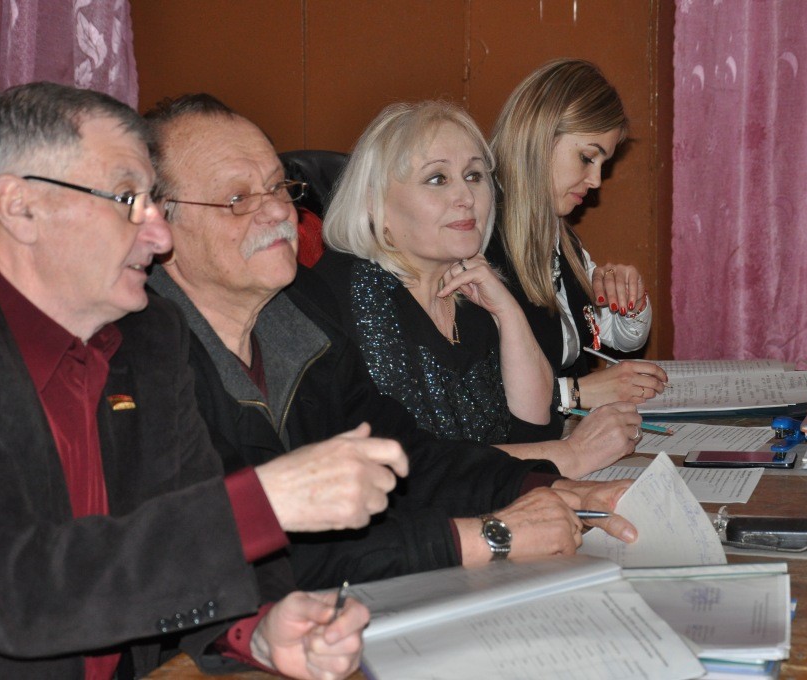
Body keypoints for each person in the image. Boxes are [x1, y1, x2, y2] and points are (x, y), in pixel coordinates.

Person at [0, 82, 383, 679]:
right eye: (128, 199)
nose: (160, 236)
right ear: (20, 208)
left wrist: (256, 628)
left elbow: (196, 502)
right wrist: (267, 501)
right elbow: (8, 589)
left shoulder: (148, 334)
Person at [143, 93, 638, 588]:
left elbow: (406, 456)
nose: (276, 211)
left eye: (278, 187)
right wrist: (489, 536)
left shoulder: (298, 313)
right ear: (159, 225)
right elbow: (258, 554)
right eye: (237, 199)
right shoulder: (144, 361)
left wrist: (552, 487)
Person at [318, 100, 643, 478]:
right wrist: (572, 454)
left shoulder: (464, 286)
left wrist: (509, 314)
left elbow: (534, 428)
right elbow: (410, 469)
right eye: (437, 179)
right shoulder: (358, 290)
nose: (467, 198)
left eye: (474, 176)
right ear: (375, 205)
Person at [489, 58, 669, 412]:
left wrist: (628, 301)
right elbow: (478, 397)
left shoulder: (560, 238)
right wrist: (575, 392)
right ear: (539, 136)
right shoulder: (475, 240)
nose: (597, 181)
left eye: (603, 164)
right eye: (588, 157)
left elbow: (618, 337)